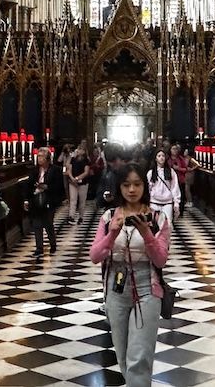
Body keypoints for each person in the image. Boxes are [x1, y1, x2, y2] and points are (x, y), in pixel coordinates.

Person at [88, 162, 171, 387]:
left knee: (139, 357)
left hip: (147, 287)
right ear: (119, 187)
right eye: (126, 185)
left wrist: (147, 233)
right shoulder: (108, 217)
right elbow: (95, 255)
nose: (132, 190)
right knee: (123, 355)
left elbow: (161, 259)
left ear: (144, 186)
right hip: (116, 288)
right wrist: (112, 234)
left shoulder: (158, 218)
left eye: (137, 184)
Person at [24, 147, 63, 261]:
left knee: (48, 223)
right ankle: (39, 248)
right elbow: (28, 185)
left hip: (49, 200)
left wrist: (47, 187)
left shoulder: (55, 170)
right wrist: (26, 199)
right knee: (36, 224)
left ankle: (53, 244)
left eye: (41, 156)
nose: (39, 159)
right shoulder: (34, 170)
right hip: (36, 200)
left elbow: (59, 186)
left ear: (47, 159)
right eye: (38, 156)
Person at [146, 149, 180, 224]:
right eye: (159, 156)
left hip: (167, 202)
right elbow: (148, 188)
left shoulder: (171, 172)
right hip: (154, 202)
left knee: (167, 225)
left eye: (163, 156)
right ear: (155, 158)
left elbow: (174, 187)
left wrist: (176, 202)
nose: (161, 158)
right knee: (154, 225)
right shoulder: (151, 173)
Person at [65, 144, 92, 224]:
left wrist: (77, 178)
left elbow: (86, 172)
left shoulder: (86, 160)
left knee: (82, 201)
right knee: (73, 200)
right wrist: (72, 178)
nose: (79, 150)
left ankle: (81, 217)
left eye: (81, 149)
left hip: (83, 183)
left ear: (84, 151)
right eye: (78, 149)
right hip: (72, 182)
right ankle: (71, 216)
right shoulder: (73, 159)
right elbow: (69, 168)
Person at [167, 145, 190, 217]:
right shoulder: (168, 159)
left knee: (181, 196)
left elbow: (186, 169)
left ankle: (180, 212)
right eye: (173, 149)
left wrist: (178, 168)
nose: (175, 150)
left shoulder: (180, 159)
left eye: (176, 149)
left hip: (180, 180)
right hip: (170, 181)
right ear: (170, 150)